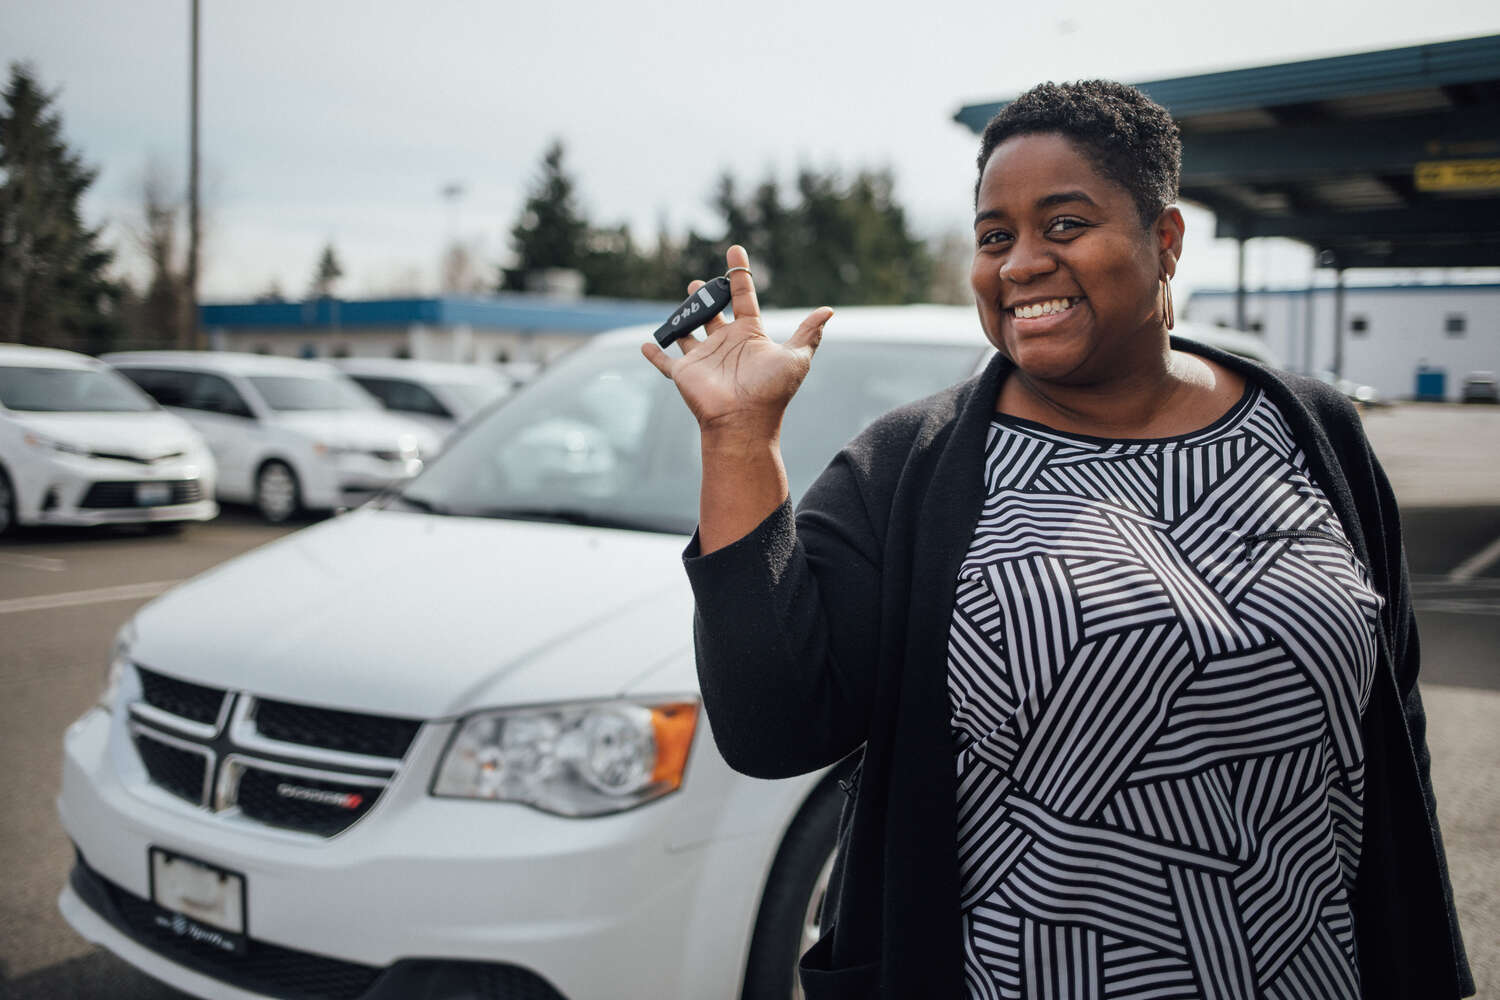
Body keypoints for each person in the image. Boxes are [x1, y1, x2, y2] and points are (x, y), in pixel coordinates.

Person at [641, 81, 1471, 1000]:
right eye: (995, 237)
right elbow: (772, 727)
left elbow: (1391, 718)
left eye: (1064, 225)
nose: (1020, 263)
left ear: (1165, 242)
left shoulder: (1311, 429)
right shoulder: (907, 469)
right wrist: (739, 439)